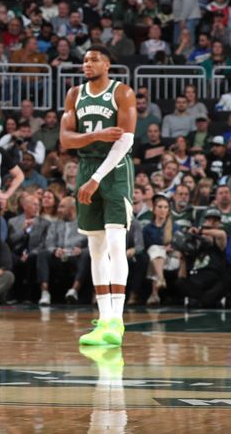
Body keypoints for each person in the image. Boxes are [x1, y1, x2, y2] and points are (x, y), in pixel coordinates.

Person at [61, 46, 136, 346]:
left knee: (117, 244)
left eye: (93, 60)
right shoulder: (74, 94)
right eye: (84, 60)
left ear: (107, 64)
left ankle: (116, 322)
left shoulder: (123, 92)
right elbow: (65, 139)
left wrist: (95, 179)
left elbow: (124, 141)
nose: (87, 64)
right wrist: (94, 136)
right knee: (95, 247)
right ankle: (103, 319)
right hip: (87, 165)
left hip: (115, 169)